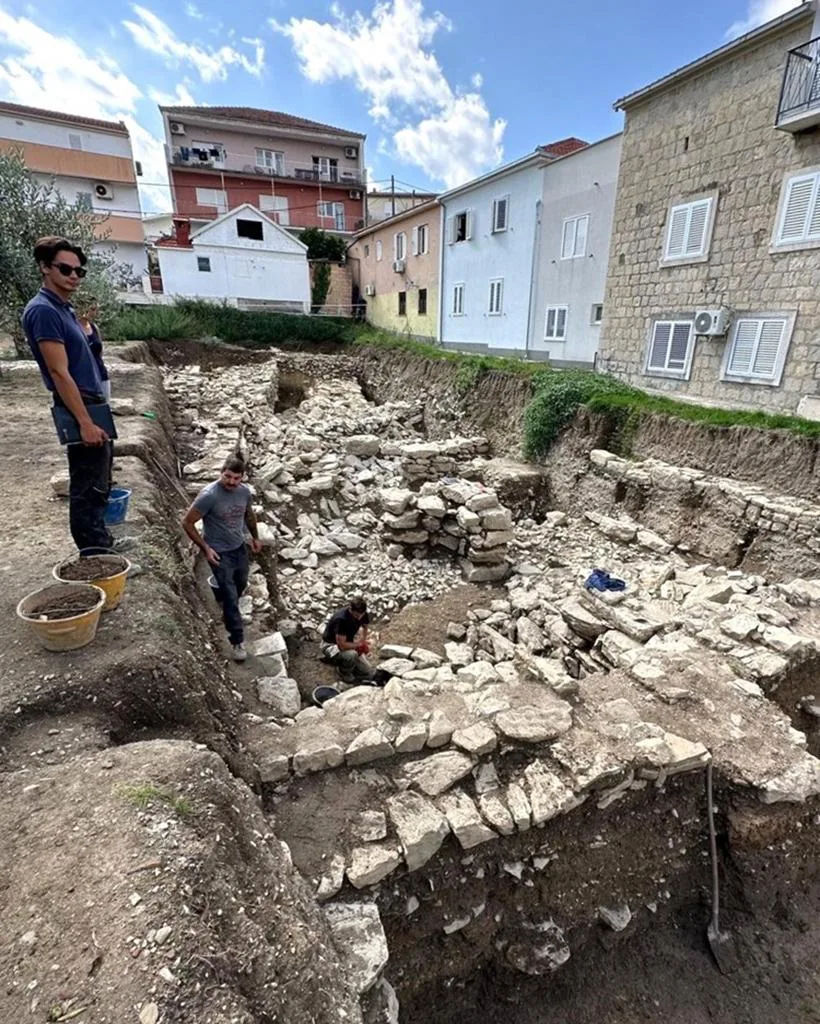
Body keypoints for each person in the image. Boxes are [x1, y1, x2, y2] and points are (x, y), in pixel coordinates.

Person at [21, 236, 128, 554]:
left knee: (100, 479)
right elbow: (58, 372)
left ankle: (102, 543)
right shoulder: (43, 312)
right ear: (44, 267)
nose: (73, 276)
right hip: (79, 404)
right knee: (87, 484)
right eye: (65, 268)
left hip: (91, 401)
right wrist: (83, 421)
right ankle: (95, 555)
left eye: (79, 271)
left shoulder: (63, 309)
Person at [182, 453, 262, 662]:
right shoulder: (209, 495)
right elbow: (187, 523)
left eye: (236, 478)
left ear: (242, 477)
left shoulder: (243, 492)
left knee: (240, 584)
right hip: (219, 552)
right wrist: (206, 549)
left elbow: (248, 514)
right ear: (221, 473)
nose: (231, 482)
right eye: (227, 477)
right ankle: (237, 640)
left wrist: (255, 537)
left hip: (238, 548)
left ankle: (228, 610)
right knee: (230, 595)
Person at [320, 597, 375, 683]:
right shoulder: (341, 619)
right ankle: (343, 671)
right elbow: (342, 646)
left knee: (366, 670)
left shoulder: (362, 613)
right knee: (351, 655)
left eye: (361, 615)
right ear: (350, 609)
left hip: (348, 642)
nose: (359, 618)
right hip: (331, 645)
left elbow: (365, 626)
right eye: (356, 615)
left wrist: (363, 640)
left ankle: (343, 662)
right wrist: (358, 645)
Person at [76, 296, 111, 401]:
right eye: (92, 309)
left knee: (104, 408)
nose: (94, 313)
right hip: (82, 378)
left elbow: (100, 352)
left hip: (101, 374)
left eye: (95, 310)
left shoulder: (94, 327)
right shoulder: (73, 329)